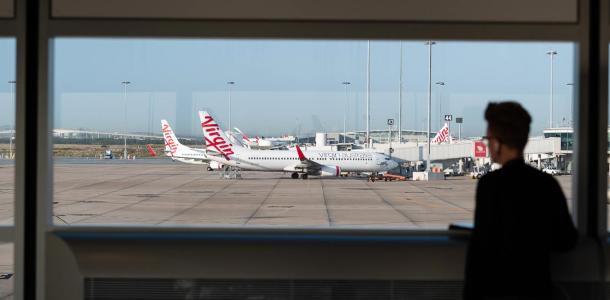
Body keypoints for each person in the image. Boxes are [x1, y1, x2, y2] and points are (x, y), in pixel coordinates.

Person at [463, 102, 578, 300]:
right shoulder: (547, 184)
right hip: (537, 290)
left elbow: (480, 254)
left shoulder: (490, 185)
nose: (487, 145)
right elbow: (567, 241)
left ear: (498, 143)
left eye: (488, 139)